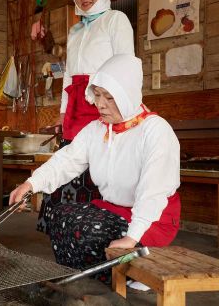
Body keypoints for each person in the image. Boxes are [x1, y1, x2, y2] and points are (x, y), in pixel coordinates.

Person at [10, 54, 181, 279]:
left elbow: (153, 192)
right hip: (113, 209)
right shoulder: (97, 129)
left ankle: (136, 275)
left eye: (109, 97)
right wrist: (31, 184)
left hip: (151, 219)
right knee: (59, 215)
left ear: (128, 96)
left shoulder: (155, 131)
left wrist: (132, 238)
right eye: (98, 95)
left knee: (90, 232)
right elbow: (67, 160)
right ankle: (82, 280)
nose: (99, 104)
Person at [37, 0, 135, 233]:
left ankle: (96, 234)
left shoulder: (116, 20)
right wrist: (62, 112)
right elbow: (69, 74)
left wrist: (122, 109)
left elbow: (127, 66)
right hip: (76, 105)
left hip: (103, 100)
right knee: (70, 163)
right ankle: (66, 232)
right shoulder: (75, 30)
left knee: (98, 166)